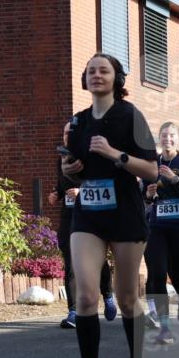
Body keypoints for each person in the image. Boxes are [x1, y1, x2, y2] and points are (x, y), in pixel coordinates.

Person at [60, 53, 159, 358]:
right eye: (91, 71)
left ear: (117, 79)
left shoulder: (130, 115)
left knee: (127, 297)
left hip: (125, 214)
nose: (97, 75)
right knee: (87, 297)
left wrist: (116, 154)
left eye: (104, 70)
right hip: (88, 214)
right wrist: (69, 168)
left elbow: (152, 171)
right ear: (84, 79)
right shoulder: (78, 121)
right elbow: (74, 170)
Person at [49, 127, 117, 329]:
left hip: (90, 215)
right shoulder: (61, 159)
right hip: (69, 217)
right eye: (64, 133)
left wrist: (82, 191)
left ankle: (107, 295)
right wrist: (56, 194)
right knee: (70, 262)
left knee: (97, 259)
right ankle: (73, 311)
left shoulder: (91, 156)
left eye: (71, 133)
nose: (67, 136)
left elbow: (103, 183)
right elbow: (62, 184)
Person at [143, 122, 179, 345]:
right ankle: (165, 328)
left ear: (178, 138)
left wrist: (175, 180)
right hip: (157, 227)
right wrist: (148, 194)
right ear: (159, 138)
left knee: (177, 277)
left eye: (172, 135)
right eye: (164, 135)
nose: (168, 139)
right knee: (157, 275)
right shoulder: (152, 164)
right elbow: (144, 197)